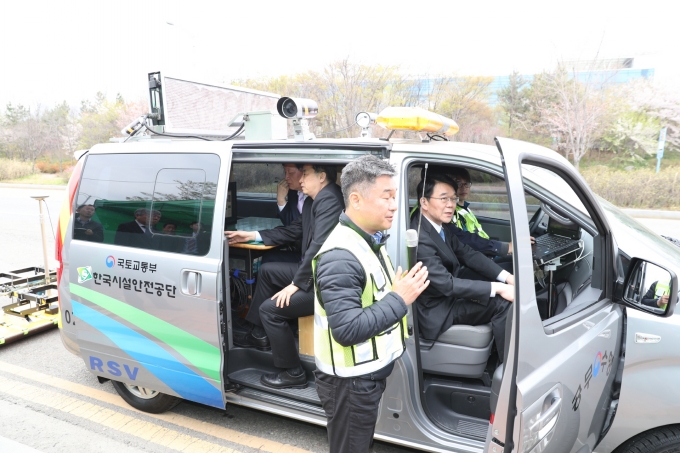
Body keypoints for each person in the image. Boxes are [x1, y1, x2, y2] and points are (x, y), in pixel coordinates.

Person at [313, 155, 429, 453]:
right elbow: (347, 329)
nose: (394, 205)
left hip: (365, 376)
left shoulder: (368, 240)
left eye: (395, 197)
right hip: (350, 383)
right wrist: (399, 298)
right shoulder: (340, 256)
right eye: (386, 197)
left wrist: (395, 291)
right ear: (356, 200)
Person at [226, 164, 344, 389]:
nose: (300, 180)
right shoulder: (313, 200)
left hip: (325, 283)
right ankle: (259, 334)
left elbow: (318, 246)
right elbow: (294, 230)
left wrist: (296, 284)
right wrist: (252, 235)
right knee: (269, 271)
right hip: (314, 272)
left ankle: (293, 372)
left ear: (321, 177)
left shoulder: (330, 199)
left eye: (305, 174)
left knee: (270, 310)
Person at [411, 174, 514, 360]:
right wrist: (499, 288)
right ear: (424, 202)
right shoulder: (421, 238)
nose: (451, 204)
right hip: (437, 307)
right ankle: (507, 367)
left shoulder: (437, 225)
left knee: (501, 278)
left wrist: (507, 277)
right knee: (502, 302)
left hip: (447, 295)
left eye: (453, 198)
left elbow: (468, 253)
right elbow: (447, 285)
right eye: (444, 199)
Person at [448, 167, 489, 239]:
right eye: (458, 183)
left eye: (466, 183)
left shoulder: (467, 209)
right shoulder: (452, 212)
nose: (463, 188)